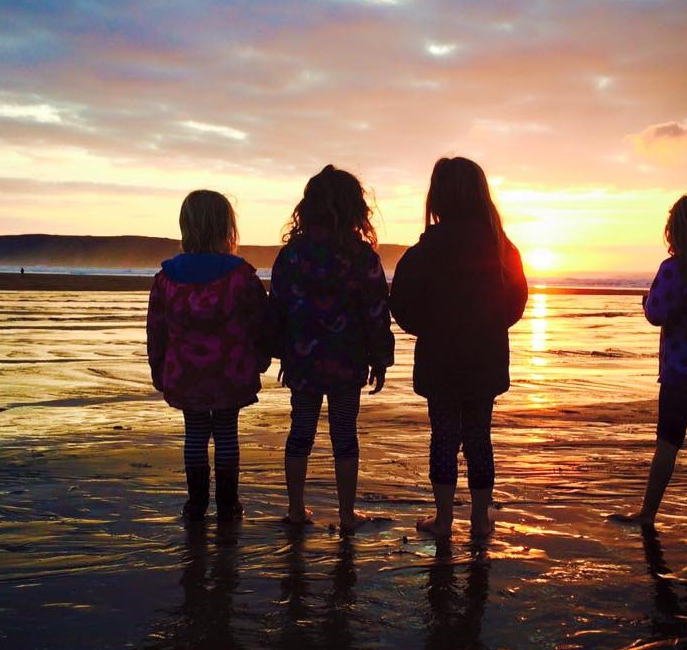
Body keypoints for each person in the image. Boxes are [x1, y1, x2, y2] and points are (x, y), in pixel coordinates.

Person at [389, 156, 527, 539]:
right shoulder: (500, 245)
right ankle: (480, 519)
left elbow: (400, 302)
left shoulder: (427, 248)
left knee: (444, 437)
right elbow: (517, 300)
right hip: (485, 357)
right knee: (479, 436)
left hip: (441, 359)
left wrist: (429, 328)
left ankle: (445, 519)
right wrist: (488, 325)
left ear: (438, 198)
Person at [266, 165, 395, 532]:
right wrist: (380, 358)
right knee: (344, 434)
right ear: (354, 208)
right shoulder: (361, 257)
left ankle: (295, 508)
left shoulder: (292, 255)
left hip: (302, 358)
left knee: (300, 430)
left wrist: (273, 350)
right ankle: (346, 513)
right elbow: (376, 311)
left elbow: (277, 307)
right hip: (347, 359)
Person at [611, 192, 687, 525]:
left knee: (668, 440)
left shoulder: (673, 269)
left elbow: (657, 313)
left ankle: (648, 513)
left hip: (681, 369)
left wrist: (645, 302)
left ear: (677, 230)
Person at [147, 190, 268, 520]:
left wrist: (158, 367)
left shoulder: (166, 278)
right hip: (231, 371)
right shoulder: (241, 275)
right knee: (227, 432)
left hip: (186, 373)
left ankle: (196, 502)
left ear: (186, 226)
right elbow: (259, 321)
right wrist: (262, 357)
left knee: (196, 434)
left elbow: (156, 329)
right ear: (227, 228)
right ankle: (228, 503)